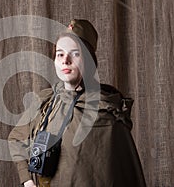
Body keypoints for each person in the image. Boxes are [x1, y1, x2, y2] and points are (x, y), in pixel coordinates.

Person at [8, 19, 146, 187]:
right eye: (60, 54)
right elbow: (17, 138)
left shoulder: (105, 112)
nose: (65, 60)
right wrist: (27, 180)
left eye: (75, 53)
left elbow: (117, 175)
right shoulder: (46, 101)